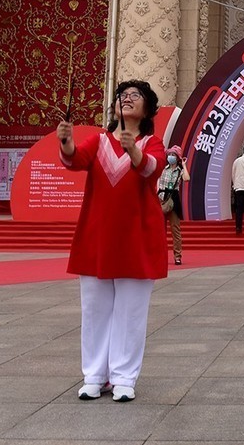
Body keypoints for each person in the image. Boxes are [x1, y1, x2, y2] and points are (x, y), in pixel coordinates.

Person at [57, 80, 167, 403]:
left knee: (131, 314)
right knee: (94, 310)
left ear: (147, 109)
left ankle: (123, 378)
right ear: (114, 107)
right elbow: (74, 160)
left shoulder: (153, 142)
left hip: (138, 239)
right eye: (123, 96)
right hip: (97, 238)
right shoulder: (99, 141)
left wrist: (133, 147)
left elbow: (150, 168)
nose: (128, 99)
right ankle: (94, 375)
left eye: (136, 96)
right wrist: (65, 142)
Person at [157, 145, 190, 265]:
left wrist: (184, 164)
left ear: (177, 158)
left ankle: (177, 256)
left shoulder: (179, 171)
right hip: (161, 199)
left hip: (173, 201)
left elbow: (187, 178)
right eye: (169, 155)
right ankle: (159, 255)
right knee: (160, 231)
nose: (170, 157)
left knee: (175, 230)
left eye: (173, 155)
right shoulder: (163, 169)